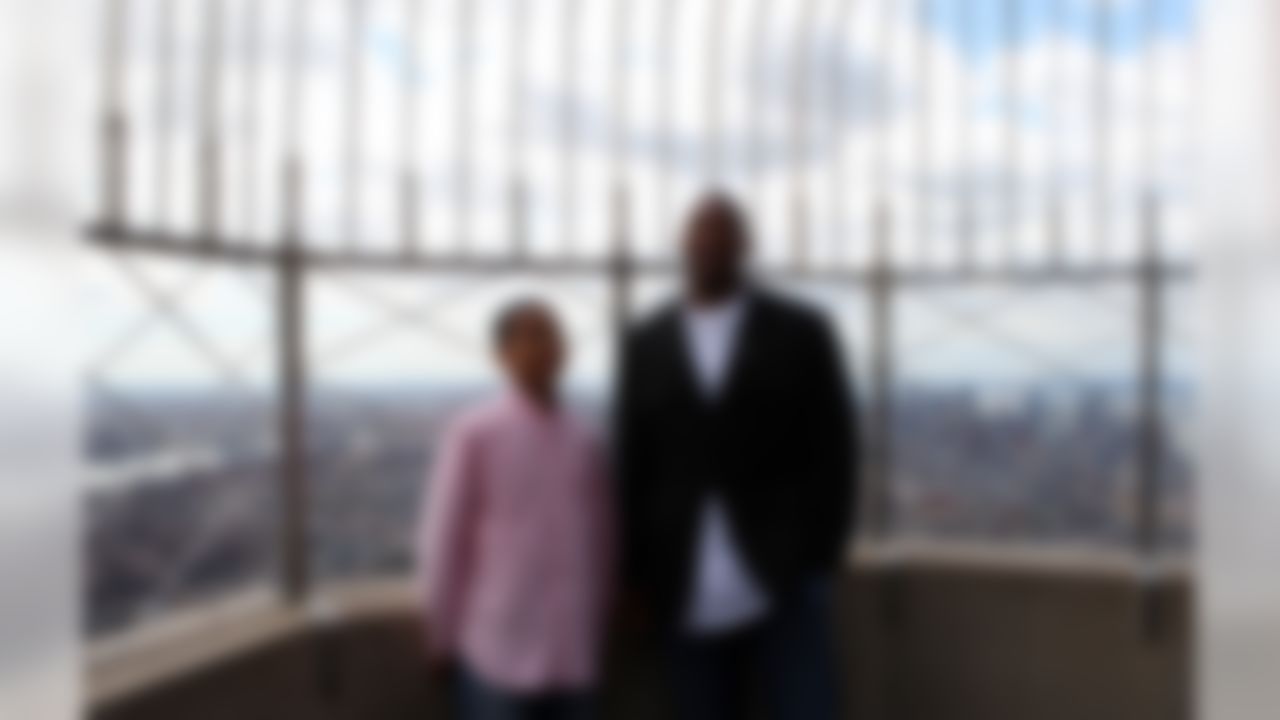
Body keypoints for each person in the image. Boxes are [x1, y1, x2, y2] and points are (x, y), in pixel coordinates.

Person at [615, 192, 858, 720]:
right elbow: (633, 463)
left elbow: (834, 446)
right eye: (700, 230)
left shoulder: (802, 331)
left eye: (724, 230)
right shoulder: (643, 341)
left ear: (746, 244)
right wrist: (632, 576)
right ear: (681, 243)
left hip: (785, 580)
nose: (710, 241)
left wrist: (820, 553)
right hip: (680, 583)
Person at [416, 299, 613, 720]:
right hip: (496, 656)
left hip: (573, 656)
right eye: (532, 336)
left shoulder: (586, 439)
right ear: (501, 355)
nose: (547, 346)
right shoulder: (474, 433)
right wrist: (441, 637)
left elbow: (603, 540)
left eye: (554, 335)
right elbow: (444, 541)